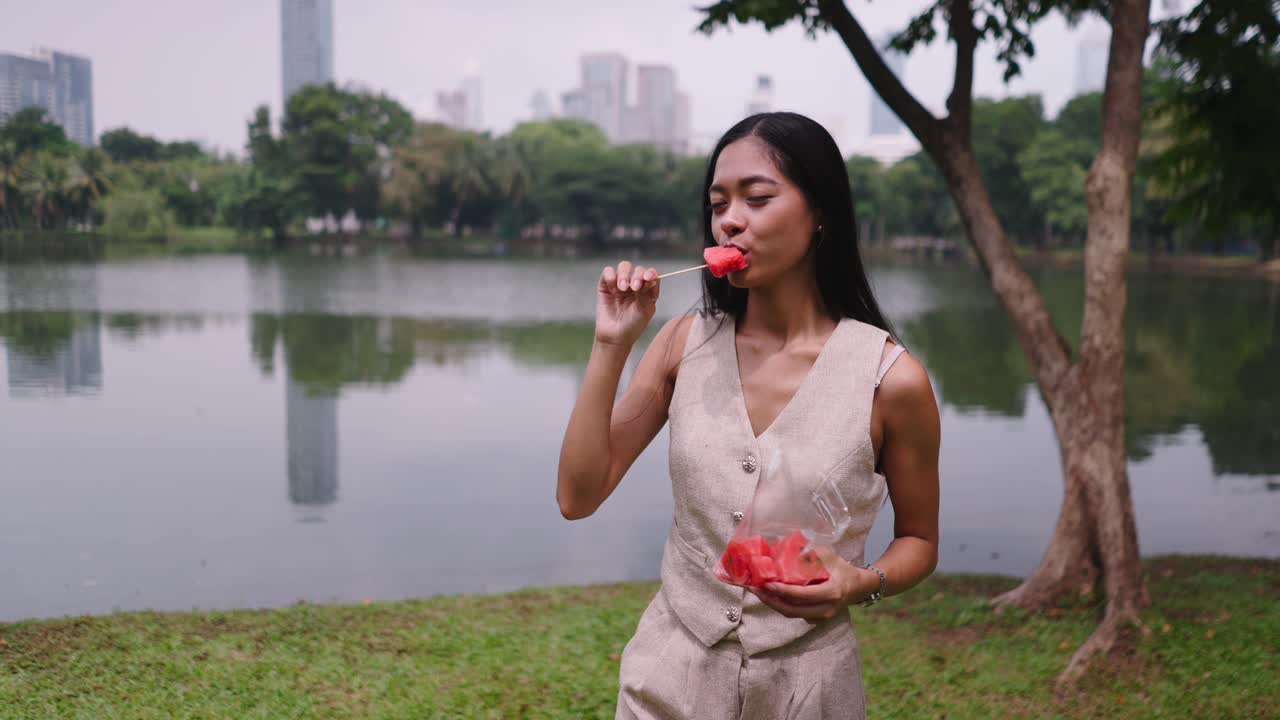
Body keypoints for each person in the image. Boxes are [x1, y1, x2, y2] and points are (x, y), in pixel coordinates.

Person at [556, 112, 941, 719]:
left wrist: (860, 582)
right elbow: (578, 496)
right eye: (718, 204)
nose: (730, 219)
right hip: (668, 681)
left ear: (821, 215)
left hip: (809, 692)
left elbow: (919, 541)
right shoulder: (683, 344)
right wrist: (612, 345)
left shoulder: (891, 381)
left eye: (757, 199)